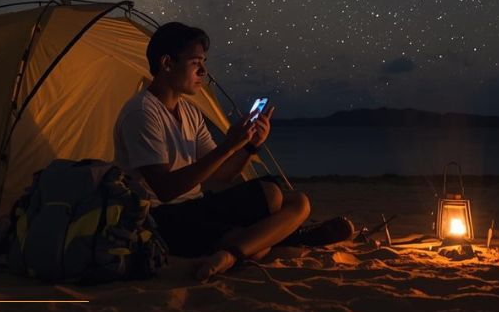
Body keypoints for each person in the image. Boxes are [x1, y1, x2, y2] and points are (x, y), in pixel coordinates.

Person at [114, 22, 336, 281]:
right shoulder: (142, 113)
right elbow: (165, 189)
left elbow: (222, 175)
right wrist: (229, 145)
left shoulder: (189, 112)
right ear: (167, 63)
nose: (204, 71)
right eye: (195, 62)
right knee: (270, 197)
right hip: (158, 220)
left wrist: (250, 145)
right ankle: (264, 242)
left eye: (204, 62)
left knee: (299, 202)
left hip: (194, 209)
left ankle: (231, 254)